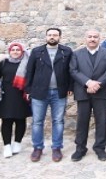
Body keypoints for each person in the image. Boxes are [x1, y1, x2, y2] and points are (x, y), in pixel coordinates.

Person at [25, 28, 74, 162]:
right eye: (50, 35)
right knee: (37, 121)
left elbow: (71, 70)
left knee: (58, 121)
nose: (52, 37)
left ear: (60, 37)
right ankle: (37, 148)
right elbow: (29, 71)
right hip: (39, 91)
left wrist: (70, 87)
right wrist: (28, 90)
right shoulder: (37, 51)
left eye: (55, 35)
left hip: (59, 92)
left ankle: (56, 148)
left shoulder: (67, 51)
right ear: (46, 36)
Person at [69, 29, 106, 162]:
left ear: (99, 39)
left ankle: (100, 148)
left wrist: (97, 85)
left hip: (102, 92)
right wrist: (88, 83)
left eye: (95, 37)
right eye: (89, 36)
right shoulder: (77, 54)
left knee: (101, 121)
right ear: (85, 38)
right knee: (82, 121)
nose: (92, 39)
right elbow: (73, 70)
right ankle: (80, 149)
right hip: (83, 92)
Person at [0, 42, 32, 158]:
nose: (15, 52)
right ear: (9, 51)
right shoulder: (3, 63)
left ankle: (17, 143)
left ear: (22, 51)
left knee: (20, 120)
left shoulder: (27, 63)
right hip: (6, 95)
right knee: (6, 121)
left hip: (21, 95)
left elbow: (31, 78)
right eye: (13, 50)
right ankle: (7, 146)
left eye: (18, 50)